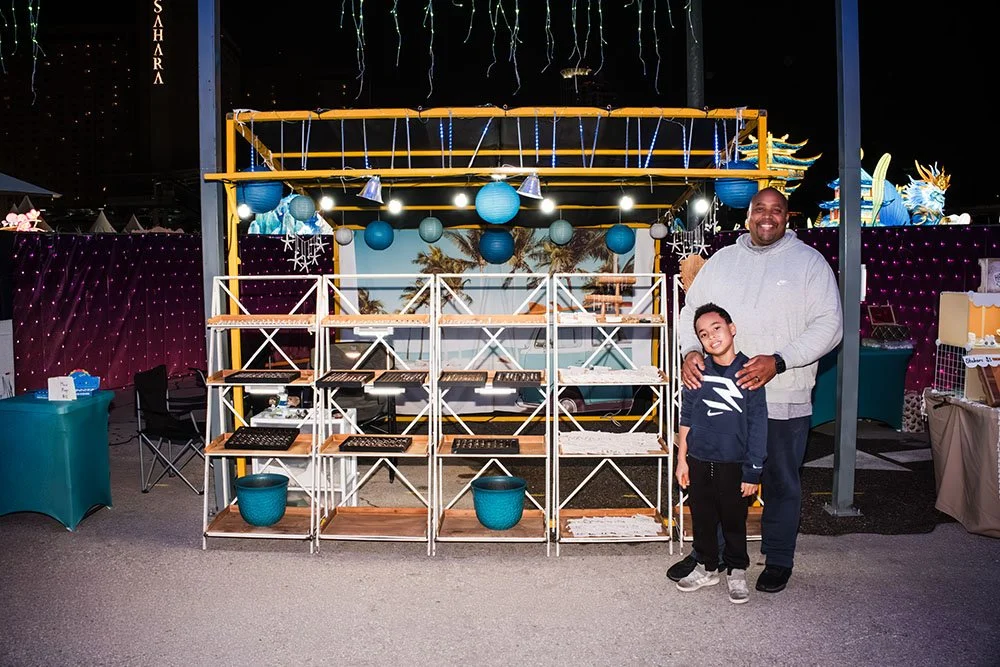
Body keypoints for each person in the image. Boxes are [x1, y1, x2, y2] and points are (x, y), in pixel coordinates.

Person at [667, 187, 843, 594]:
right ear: (747, 216)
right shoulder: (723, 261)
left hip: (783, 395)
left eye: (776, 210)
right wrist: (691, 350)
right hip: (720, 401)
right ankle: (710, 554)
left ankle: (778, 557)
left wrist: (778, 361)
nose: (767, 217)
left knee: (780, 480)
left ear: (787, 217)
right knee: (714, 485)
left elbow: (829, 326)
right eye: (759, 209)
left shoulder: (810, 264)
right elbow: (691, 312)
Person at [675, 303, 767, 604]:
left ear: (732, 328)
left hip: (733, 464)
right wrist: (681, 461)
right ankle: (706, 567)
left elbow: (757, 427)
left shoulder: (749, 373)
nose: (711, 337)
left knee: (733, 521)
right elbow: (686, 416)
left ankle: (737, 569)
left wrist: (752, 471)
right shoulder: (697, 372)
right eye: (703, 334)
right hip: (699, 461)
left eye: (716, 328)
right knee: (701, 518)